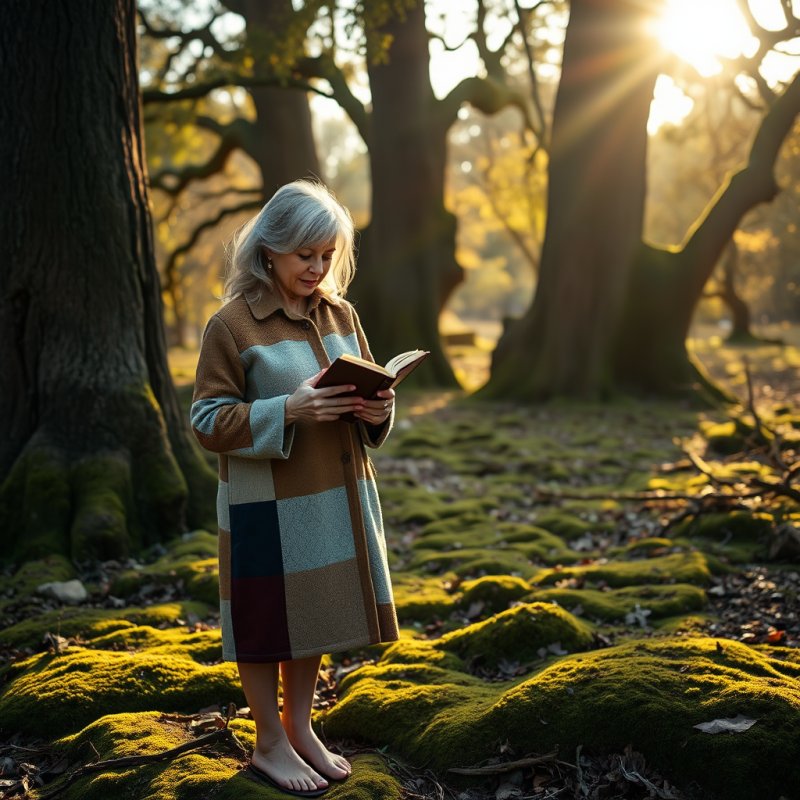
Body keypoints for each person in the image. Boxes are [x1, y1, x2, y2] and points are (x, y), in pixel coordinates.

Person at [190, 180, 400, 797]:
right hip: (264, 506)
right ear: (270, 248)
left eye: (327, 254)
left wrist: (378, 411)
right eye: (305, 254)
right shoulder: (232, 325)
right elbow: (207, 421)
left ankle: (298, 728)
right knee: (264, 621)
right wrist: (287, 409)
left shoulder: (341, 315)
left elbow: (367, 394)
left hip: (334, 496)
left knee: (313, 613)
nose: (317, 267)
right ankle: (268, 743)